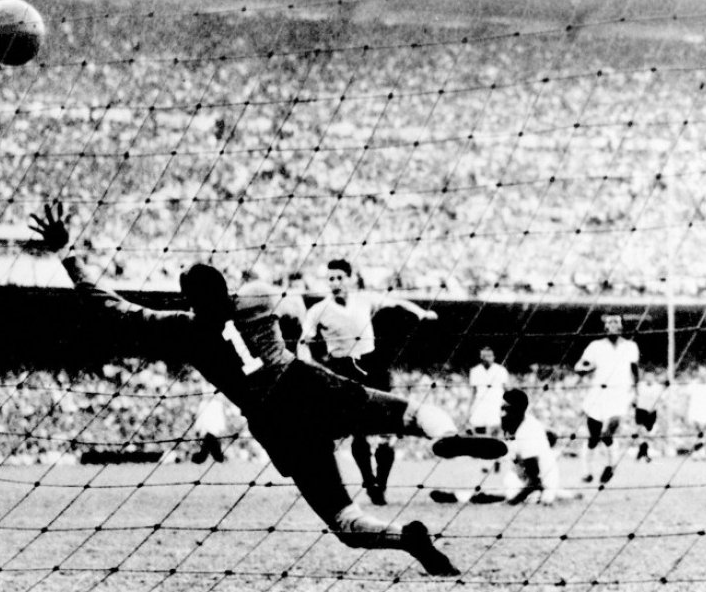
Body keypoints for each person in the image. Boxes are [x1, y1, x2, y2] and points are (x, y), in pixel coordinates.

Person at [29, 204, 507, 577]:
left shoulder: (184, 329)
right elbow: (295, 306)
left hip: (275, 421)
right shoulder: (257, 295)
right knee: (409, 414)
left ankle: (407, 538)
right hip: (306, 382)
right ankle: (443, 437)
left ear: (190, 300)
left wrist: (67, 255)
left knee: (344, 521)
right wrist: (299, 337)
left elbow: (109, 308)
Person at [298, 258, 438, 506]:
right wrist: (307, 362)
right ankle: (368, 481)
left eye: (340, 277)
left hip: (373, 365)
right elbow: (303, 341)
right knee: (357, 429)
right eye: (331, 278)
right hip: (343, 368)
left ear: (350, 279)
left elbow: (397, 303)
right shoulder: (318, 310)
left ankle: (381, 484)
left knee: (389, 428)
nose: (335, 283)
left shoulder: (364, 299)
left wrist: (421, 313)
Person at [431, 389, 578, 506]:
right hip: (525, 478)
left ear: (518, 411)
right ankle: (459, 497)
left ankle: (459, 498)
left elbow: (535, 481)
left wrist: (511, 503)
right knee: (504, 484)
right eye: (501, 409)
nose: (502, 414)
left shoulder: (527, 433)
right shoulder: (516, 426)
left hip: (539, 485)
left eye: (506, 409)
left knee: (498, 494)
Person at [574, 313, 640, 485]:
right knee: (594, 437)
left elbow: (635, 370)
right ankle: (587, 471)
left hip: (619, 396)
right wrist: (587, 369)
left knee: (607, 433)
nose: (612, 324)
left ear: (621, 326)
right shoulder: (595, 346)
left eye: (616, 322)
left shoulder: (630, 346)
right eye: (609, 322)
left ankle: (610, 466)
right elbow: (579, 366)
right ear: (605, 327)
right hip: (597, 396)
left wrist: (636, 392)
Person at [467, 345, 509, 473]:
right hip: (480, 406)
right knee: (481, 436)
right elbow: (473, 392)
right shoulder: (475, 371)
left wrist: (507, 406)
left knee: (495, 435)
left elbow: (507, 389)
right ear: (481, 357)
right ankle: (485, 463)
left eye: (490, 356)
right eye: (484, 356)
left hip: (495, 405)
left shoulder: (500, 370)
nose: (487, 359)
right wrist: (469, 410)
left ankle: (497, 461)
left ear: (494, 357)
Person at [634, 370, 664, 462]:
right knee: (642, 432)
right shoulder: (640, 385)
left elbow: (661, 399)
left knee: (648, 434)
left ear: (654, 377)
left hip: (652, 412)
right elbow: (636, 397)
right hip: (641, 411)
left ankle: (642, 453)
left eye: (651, 376)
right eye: (647, 376)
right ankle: (644, 454)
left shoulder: (658, 387)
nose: (649, 378)